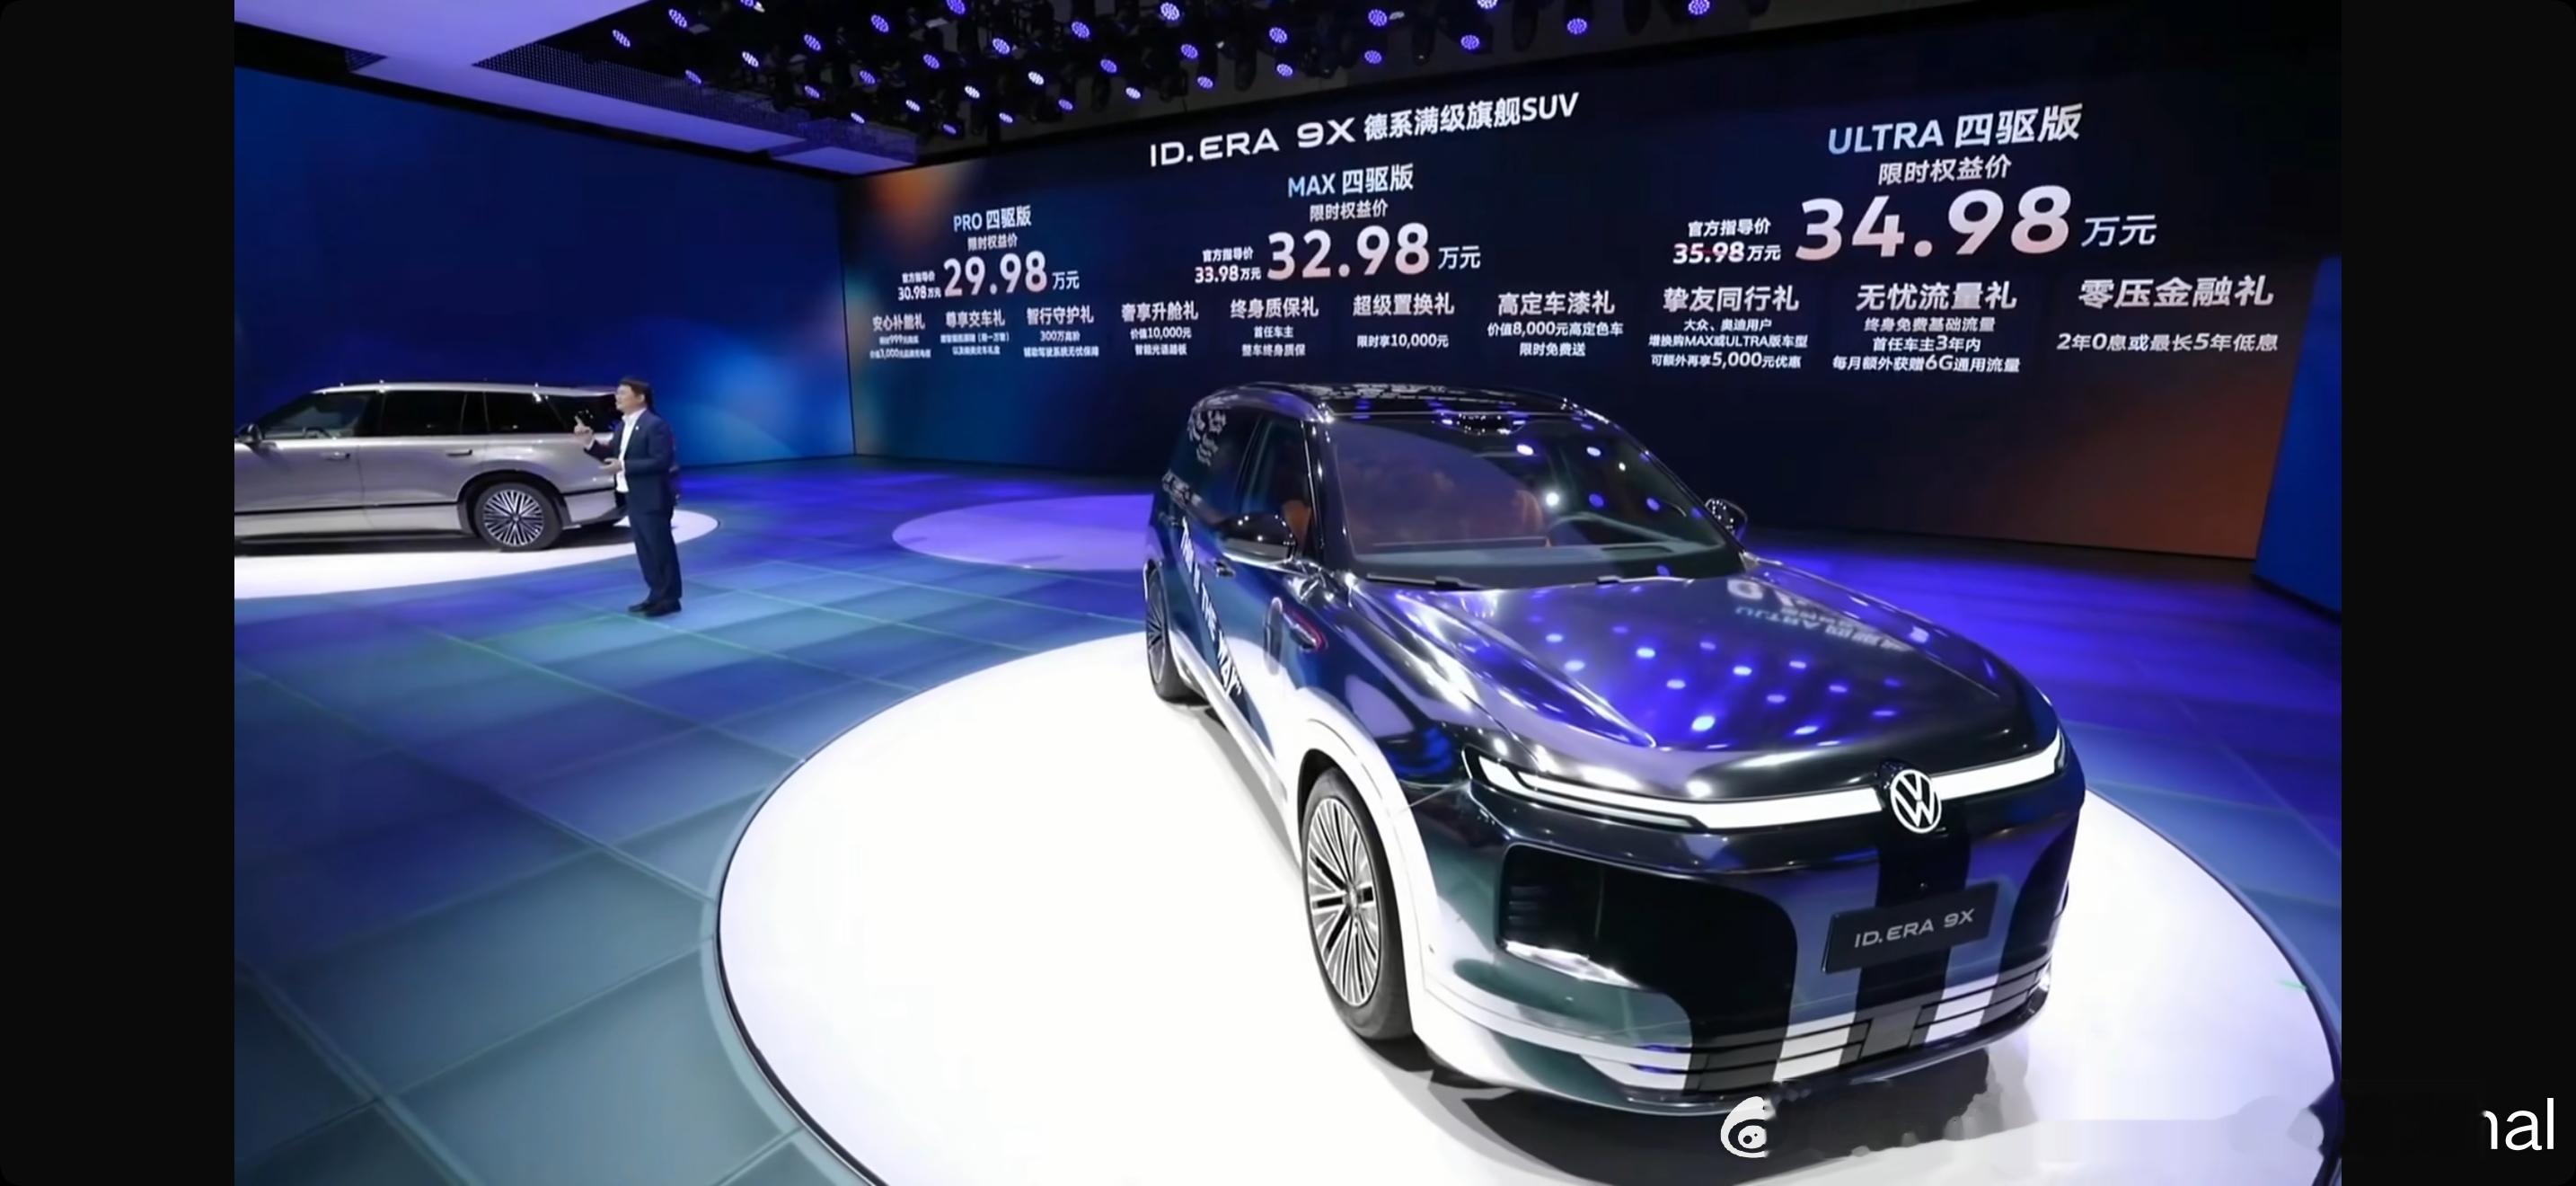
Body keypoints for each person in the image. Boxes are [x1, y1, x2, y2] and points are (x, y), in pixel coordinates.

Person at [573, 377, 683, 616]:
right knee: (645, 550)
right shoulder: (623, 426)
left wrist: (624, 466)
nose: (617, 397)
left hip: (653, 498)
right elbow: (612, 455)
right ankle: (656, 594)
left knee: (660, 549)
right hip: (634, 495)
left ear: (640, 397)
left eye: (623, 393)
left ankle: (670, 598)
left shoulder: (655, 425)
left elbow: (661, 461)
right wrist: (589, 442)